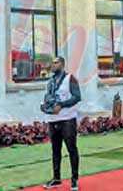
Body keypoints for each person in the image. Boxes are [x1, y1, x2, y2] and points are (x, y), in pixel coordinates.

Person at [42, 57, 81, 191]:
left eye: (56, 62)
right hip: (53, 119)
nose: (53, 65)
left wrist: (62, 105)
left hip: (67, 119)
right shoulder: (50, 82)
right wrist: (45, 106)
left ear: (62, 64)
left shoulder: (70, 78)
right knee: (55, 150)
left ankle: (74, 179)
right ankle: (56, 178)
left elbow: (77, 97)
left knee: (71, 149)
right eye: (52, 63)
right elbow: (48, 97)